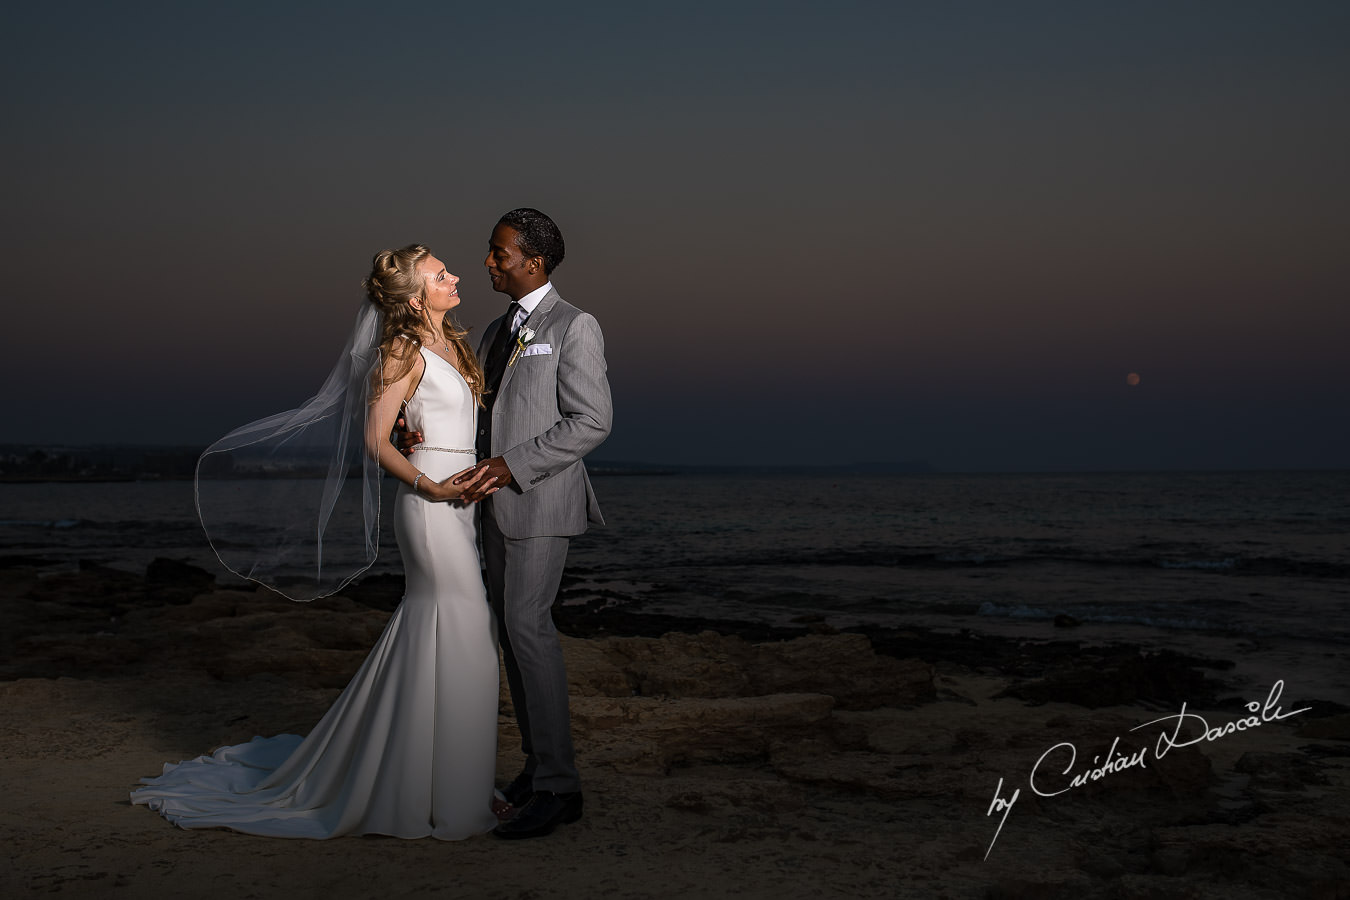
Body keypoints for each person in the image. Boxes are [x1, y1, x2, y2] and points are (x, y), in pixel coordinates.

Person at [131, 245, 507, 839]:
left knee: (450, 639)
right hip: (431, 509)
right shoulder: (400, 351)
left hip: (459, 505)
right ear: (415, 296)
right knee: (465, 637)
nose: (454, 275)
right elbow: (375, 439)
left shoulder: (451, 345)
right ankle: (452, 798)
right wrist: (431, 485)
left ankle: (448, 783)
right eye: (441, 274)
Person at [404, 208, 612, 839]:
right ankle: (537, 767)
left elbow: (590, 422)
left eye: (499, 253)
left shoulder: (575, 326)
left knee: (529, 631)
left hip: (539, 501)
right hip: (489, 509)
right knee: (513, 639)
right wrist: (409, 429)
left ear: (534, 261)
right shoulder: (496, 330)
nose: (489, 262)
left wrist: (509, 466)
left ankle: (559, 787)